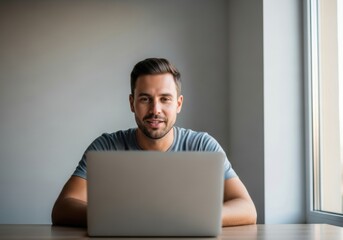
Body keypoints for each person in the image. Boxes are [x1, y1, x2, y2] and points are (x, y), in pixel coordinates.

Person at [51, 58, 257, 227]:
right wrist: (119, 218)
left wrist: (191, 219)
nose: (155, 110)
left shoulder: (203, 145)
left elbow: (247, 209)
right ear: (132, 103)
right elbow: (63, 208)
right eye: (145, 99)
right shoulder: (106, 146)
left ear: (178, 104)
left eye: (165, 99)